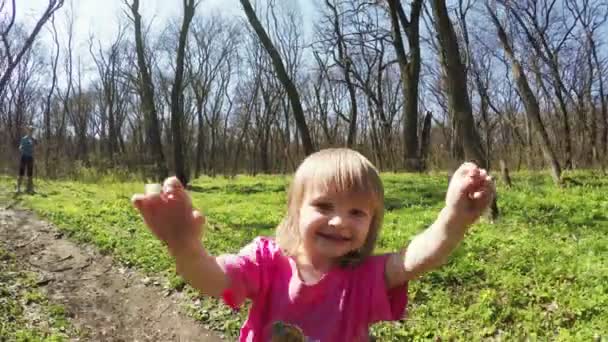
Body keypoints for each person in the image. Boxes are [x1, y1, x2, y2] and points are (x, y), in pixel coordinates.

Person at [132, 148, 495, 341]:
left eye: (357, 212)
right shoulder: (266, 260)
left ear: (372, 224)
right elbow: (214, 279)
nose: (339, 221)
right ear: (295, 211)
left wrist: (454, 218)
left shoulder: (363, 277)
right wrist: (184, 245)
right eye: (323, 206)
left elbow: (416, 259)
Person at [17, 125, 36, 193]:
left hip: (30, 157)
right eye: (29, 130)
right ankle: (18, 188)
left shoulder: (34, 139)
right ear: (27, 131)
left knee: (30, 174)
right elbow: (20, 145)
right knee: (21, 173)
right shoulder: (24, 139)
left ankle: (30, 189)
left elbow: (36, 147)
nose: (31, 131)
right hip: (24, 157)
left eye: (32, 130)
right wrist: (20, 147)